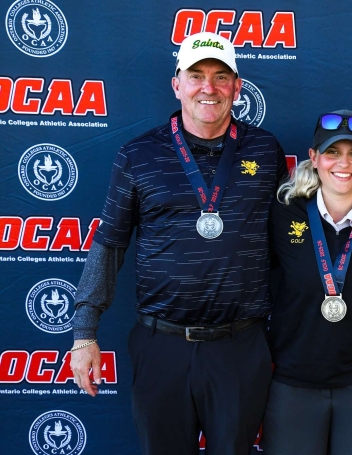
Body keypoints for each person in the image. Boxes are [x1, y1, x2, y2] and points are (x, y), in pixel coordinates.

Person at [69, 31, 287, 455]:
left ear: (237, 87)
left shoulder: (264, 150)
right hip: (161, 345)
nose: (209, 88)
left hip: (240, 346)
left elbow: (301, 220)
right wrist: (83, 333)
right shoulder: (138, 154)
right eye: (197, 75)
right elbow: (109, 244)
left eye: (221, 77)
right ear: (177, 84)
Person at [261, 110, 352, 454]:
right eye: (332, 152)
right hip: (293, 379)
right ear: (314, 158)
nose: (344, 163)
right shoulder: (283, 212)